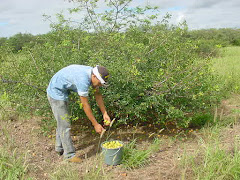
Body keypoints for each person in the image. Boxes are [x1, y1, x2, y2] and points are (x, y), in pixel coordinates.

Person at [47, 64, 111, 163]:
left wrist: (105, 113)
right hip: (56, 92)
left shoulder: (92, 75)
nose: (100, 85)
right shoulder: (83, 80)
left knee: (62, 122)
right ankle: (69, 155)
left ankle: (59, 148)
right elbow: (85, 105)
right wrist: (95, 124)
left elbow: (97, 94)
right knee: (65, 124)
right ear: (94, 76)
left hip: (63, 91)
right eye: (100, 83)